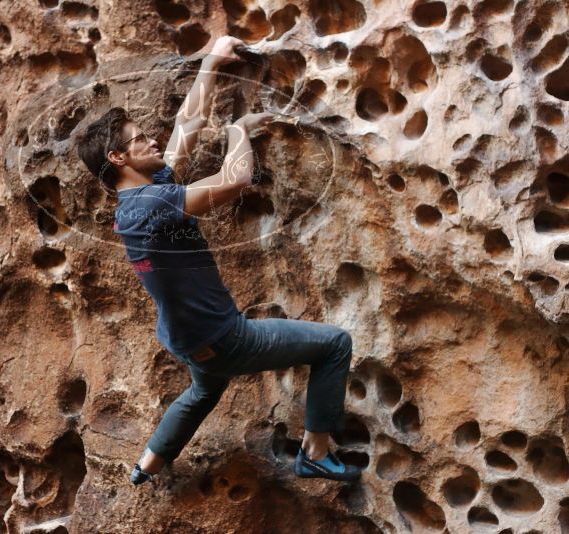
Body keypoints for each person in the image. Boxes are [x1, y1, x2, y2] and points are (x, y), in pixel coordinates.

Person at [76, 36, 361, 484]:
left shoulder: (136, 202)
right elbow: (236, 178)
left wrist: (212, 61)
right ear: (118, 157)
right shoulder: (153, 204)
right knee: (335, 344)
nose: (152, 139)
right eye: (140, 139)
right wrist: (238, 131)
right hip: (227, 338)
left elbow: (185, 127)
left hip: (185, 338)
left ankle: (147, 464)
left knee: (203, 390)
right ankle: (315, 453)